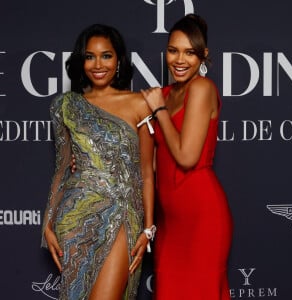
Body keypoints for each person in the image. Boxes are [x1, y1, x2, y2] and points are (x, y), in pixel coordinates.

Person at [41, 23, 155, 300]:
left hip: (122, 213)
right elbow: (61, 169)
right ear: (81, 62)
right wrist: (47, 224)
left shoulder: (140, 103)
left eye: (106, 55)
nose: (98, 64)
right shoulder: (67, 106)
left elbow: (147, 172)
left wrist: (148, 229)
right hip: (76, 217)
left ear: (118, 60)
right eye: (90, 56)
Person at [140, 14, 233, 299]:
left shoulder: (202, 89)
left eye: (189, 52)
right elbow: (151, 164)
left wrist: (159, 111)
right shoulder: (164, 95)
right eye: (173, 50)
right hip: (169, 223)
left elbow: (186, 156)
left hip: (202, 218)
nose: (179, 60)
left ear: (203, 56)